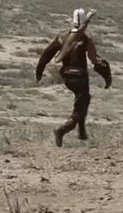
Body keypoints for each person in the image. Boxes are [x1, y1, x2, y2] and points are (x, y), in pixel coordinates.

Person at [35, 8, 111, 147]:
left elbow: (46, 55)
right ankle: (62, 130)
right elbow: (94, 60)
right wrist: (105, 71)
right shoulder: (86, 39)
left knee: (85, 99)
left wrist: (39, 73)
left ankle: (82, 132)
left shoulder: (61, 37)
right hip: (80, 76)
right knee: (80, 106)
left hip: (66, 76)